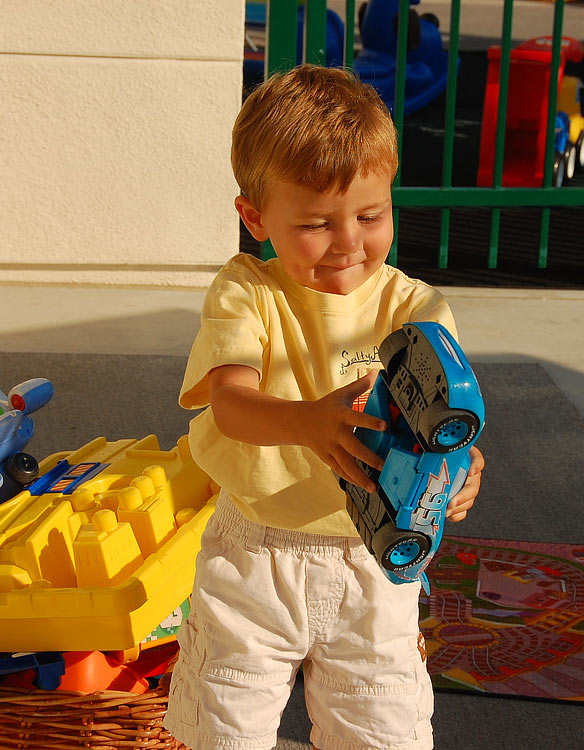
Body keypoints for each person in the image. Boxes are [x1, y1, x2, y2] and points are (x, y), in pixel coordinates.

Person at [163, 64, 485, 750]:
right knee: (226, 729)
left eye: (371, 216)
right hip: (256, 557)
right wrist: (305, 422)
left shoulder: (416, 307)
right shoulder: (246, 291)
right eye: (315, 223)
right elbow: (229, 403)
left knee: (385, 732)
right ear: (256, 217)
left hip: (378, 563)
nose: (348, 241)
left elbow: (443, 421)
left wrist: (464, 463)